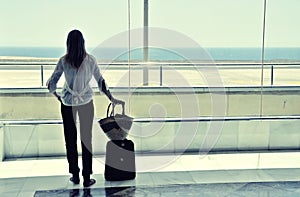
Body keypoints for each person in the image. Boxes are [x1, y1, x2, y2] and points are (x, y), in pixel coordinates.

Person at [47, 29, 121, 187]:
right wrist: (111, 98)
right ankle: (87, 177)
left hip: (68, 104)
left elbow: (51, 84)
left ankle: (75, 174)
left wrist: (59, 97)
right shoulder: (91, 60)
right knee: (86, 140)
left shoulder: (63, 61)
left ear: (68, 44)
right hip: (86, 103)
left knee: (70, 139)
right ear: (83, 43)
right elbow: (101, 81)